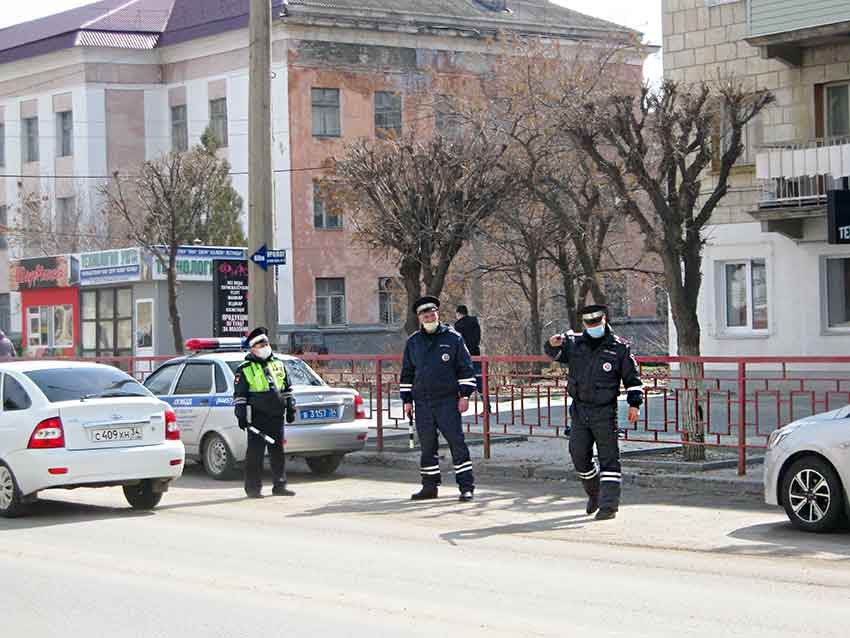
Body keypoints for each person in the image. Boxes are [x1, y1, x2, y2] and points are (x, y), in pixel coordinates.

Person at [544, 304, 643, 520]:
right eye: (589, 324)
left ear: (604, 320)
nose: (594, 326)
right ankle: (595, 493)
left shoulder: (619, 348)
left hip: (605, 411)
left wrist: (635, 403)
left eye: (596, 322)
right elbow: (556, 353)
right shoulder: (575, 344)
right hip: (580, 410)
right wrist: (551, 345)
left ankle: (609, 506)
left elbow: (633, 379)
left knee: (609, 458)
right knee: (578, 455)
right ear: (584, 324)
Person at [401, 296, 478, 502]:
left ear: (438, 314)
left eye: (432, 312)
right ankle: (429, 486)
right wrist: (406, 400)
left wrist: (465, 395)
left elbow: (466, 368)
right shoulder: (413, 342)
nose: (429, 316)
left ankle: (466, 487)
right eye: (424, 314)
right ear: (419, 318)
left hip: (448, 401)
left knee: (457, 443)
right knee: (427, 446)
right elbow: (407, 373)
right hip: (422, 402)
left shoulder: (453, 338)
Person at [233, 327, 296, 498]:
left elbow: (287, 389)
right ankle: (253, 488)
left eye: (266, 343)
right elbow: (240, 396)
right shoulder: (244, 368)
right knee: (255, 454)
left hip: (276, 415)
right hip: (257, 417)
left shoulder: (278, 364)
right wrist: (240, 415)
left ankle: (280, 485)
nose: (265, 347)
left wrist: (291, 407)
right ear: (253, 348)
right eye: (261, 344)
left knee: (278, 452)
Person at [454, 305, 483, 395]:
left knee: (463, 379)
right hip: (475, 353)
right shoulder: (475, 322)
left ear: (458, 313)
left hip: (463, 356)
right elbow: (478, 338)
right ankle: (486, 405)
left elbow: (458, 342)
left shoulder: (458, 325)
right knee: (479, 379)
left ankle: (462, 399)